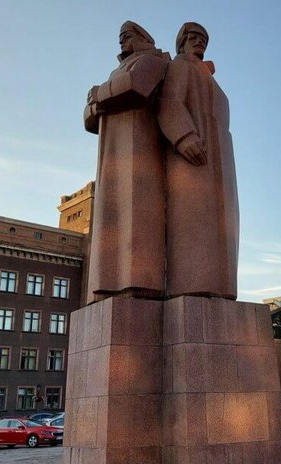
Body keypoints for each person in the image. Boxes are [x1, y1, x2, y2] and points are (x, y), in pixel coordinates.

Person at [84, 21, 170, 302]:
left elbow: (136, 86)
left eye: (127, 36)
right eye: (120, 37)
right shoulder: (116, 71)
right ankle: (108, 284)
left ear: (143, 37)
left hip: (140, 146)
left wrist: (99, 94)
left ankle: (138, 280)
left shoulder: (151, 60)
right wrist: (99, 98)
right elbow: (89, 118)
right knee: (111, 217)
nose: (122, 42)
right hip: (112, 151)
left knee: (137, 212)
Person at [157, 22, 239, 300]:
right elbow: (169, 102)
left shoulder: (210, 77)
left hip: (221, 163)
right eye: (192, 37)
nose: (199, 42)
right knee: (194, 221)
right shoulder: (181, 65)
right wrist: (184, 136)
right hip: (193, 157)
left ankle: (221, 290)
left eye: (203, 38)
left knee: (223, 227)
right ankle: (191, 287)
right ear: (181, 42)